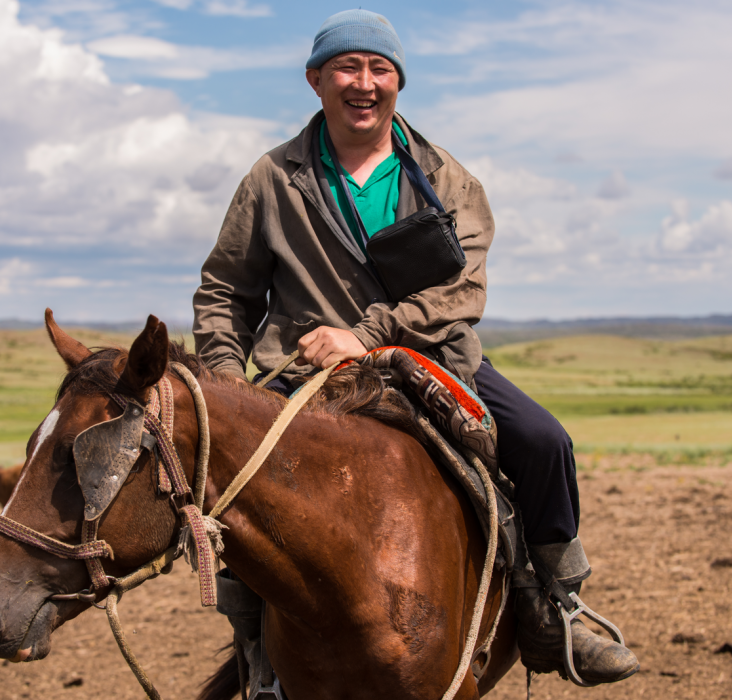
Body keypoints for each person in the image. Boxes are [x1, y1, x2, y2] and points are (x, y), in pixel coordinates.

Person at [192, 9, 638, 686]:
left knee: (545, 442)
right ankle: (256, 648)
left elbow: (464, 292)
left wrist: (367, 334)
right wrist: (229, 386)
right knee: (235, 475)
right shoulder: (271, 180)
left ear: (399, 82)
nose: (363, 82)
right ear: (316, 80)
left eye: (379, 68)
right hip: (309, 376)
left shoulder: (446, 177)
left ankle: (556, 606)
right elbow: (225, 289)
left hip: (432, 360)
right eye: (347, 66)